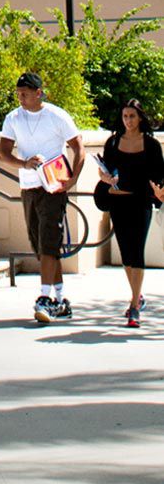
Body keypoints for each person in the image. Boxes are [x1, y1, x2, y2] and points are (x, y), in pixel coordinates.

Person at [0, 70, 85, 324]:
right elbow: (3, 154)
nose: (21, 98)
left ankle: (44, 298)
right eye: (18, 94)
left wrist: (72, 179)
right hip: (29, 187)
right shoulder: (13, 118)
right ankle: (60, 300)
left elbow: (79, 147)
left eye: (25, 94)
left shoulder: (56, 116)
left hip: (53, 188)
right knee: (41, 246)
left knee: (49, 242)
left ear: (39, 93)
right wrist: (24, 164)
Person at [98, 98, 164, 328]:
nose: (128, 120)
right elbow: (104, 170)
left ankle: (134, 305)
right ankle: (137, 295)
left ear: (140, 118)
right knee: (126, 254)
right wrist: (104, 177)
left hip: (141, 203)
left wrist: (158, 188)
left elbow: (159, 174)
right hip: (118, 202)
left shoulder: (151, 145)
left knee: (137, 251)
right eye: (125, 116)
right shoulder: (113, 142)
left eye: (132, 116)